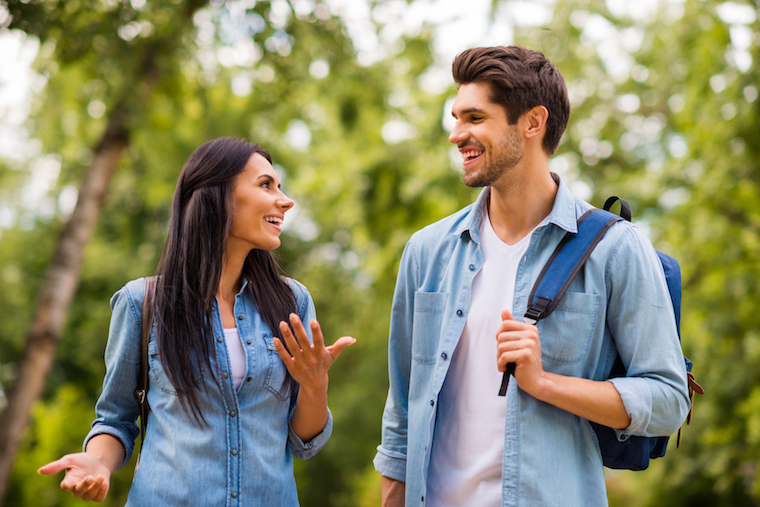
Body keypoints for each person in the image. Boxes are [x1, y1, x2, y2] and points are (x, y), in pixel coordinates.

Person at [373, 46, 690, 506]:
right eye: (456, 117)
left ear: (532, 123)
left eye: (475, 118)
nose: (456, 134)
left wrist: (546, 384)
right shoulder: (427, 251)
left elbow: (667, 400)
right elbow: (402, 407)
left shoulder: (617, 250)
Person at [38, 137, 355, 505]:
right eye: (265, 185)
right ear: (218, 195)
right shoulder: (143, 303)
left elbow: (304, 442)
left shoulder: (292, 302)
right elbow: (115, 419)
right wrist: (97, 464)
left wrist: (315, 385)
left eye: (280, 187)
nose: (285, 201)